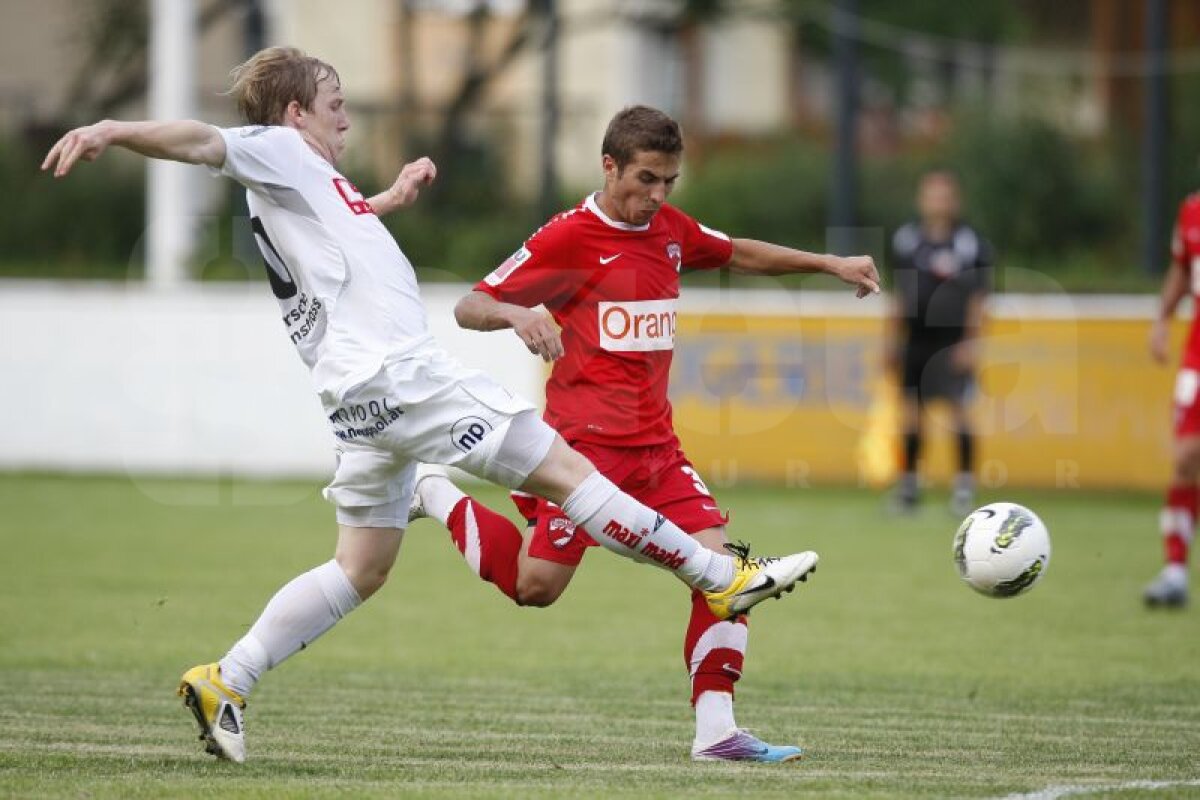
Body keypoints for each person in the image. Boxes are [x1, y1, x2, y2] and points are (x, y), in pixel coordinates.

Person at [41, 48, 831, 763]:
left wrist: (386, 197)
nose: (346, 115)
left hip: (354, 400)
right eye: (335, 101)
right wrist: (112, 128)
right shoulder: (277, 150)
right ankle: (716, 575)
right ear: (294, 116)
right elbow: (199, 141)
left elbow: (335, 235)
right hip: (398, 376)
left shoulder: (301, 185)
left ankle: (228, 676)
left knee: (360, 567)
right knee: (562, 468)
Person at [405, 105, 881, 762]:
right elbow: (469, 305)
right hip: (579, 455)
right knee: (533, 588)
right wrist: (518, 313)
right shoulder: (569, 238)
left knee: (727, 576)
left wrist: (828, 264)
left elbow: (737, 251)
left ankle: (717, 732)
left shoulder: (669, 229)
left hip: (658, 452)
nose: (657, 197)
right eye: (646, 180)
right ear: (610, 166)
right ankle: (432, 490)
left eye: (669, 183)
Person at [886, 169, 992, 516]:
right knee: (912, 416)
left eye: (944, 196)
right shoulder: (907, 240)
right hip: (915, 339)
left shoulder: (969, 242)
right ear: (922, 200)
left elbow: (979, 297)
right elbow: (898, 294)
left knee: (958, 413)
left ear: (954, 202)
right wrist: (889, 339)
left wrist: (971, 343)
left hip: (951, 340)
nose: (937, 202)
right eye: (931, 195)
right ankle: (909, 487)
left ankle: (963, 489)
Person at [1143, 193, 1200, 608]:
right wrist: (1163, 319)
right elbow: (1182, 269)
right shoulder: (1191, 210)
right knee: (1185, 456)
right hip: (1198, 354)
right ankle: (1175, 571)